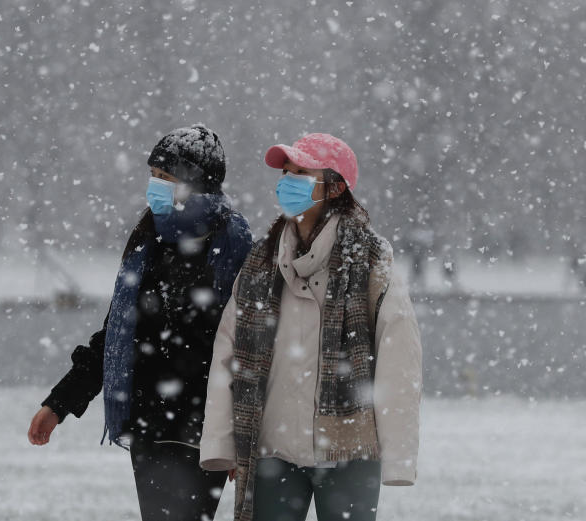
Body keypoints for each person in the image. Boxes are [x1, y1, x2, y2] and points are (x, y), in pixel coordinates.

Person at [27, 125, 253, 521]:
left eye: (166, 177)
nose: (155, 185)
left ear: (195, 183)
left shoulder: (232, 244)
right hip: (150, 422)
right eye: (153, 175)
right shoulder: (149, 238)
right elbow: (115, 334)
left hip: (205, 425)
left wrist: (242, 435)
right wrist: (60, 403)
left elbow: (251, 345)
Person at [199, 133, 422, 521]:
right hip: (272, 447)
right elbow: (228, 351)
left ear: (335, 188)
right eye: (286, 172)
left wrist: (399, 455)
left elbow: (399, 358)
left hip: (348, 447)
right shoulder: (260, 261)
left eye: (301, 173)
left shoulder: (370, 260)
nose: (287, 181)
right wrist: (224, 443)